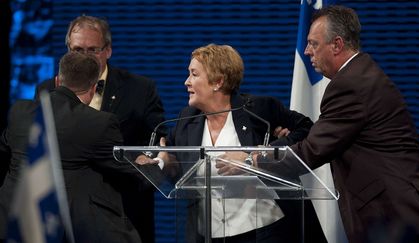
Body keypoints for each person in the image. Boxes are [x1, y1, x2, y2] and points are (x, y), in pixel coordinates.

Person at [271, 5, 419, 243]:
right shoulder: (360, 74)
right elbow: (329, 135)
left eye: (313, 44)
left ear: (336, 45)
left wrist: (254, 160)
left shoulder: (350, 85)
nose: (306, 51)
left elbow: (313, 151)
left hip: (398, 216)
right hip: (401, 213)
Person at [137, 44, 324, 243]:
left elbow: (306, 128)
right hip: (210, 235)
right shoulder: (186, 119)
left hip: (266, 231)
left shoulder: (258, 110)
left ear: (218, 81)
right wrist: (161, 160)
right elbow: (171, 156)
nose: (186, 82)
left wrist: (257, 156)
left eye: (194, 74)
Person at [35, 15, 165, 243]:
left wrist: (150, 158)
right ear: (67, 50)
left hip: (124, 213)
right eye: (77, 50)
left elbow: (159, 137)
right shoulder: (46, 91)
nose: (84, 57)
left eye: (92, 49)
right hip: (64, 216)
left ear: (108, 50)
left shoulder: (141, 89)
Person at [0, 52, 149, 242]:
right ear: (94, 88)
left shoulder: (19, 112)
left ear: (57, 81)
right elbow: (122, 172)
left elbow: (4, 152)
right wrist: (151, 164)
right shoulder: (99, 123)